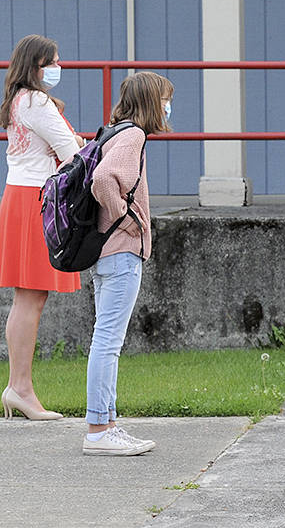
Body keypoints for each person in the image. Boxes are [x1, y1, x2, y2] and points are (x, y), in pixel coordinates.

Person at [83, 71, 172, 456]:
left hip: (106, 252)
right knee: (108, 343)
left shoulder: (116, 130)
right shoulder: (133, 135)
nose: (169, 106)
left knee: (105, 340)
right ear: (153, 101)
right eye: (166, 98)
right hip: (120, 251)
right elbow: (103, 179)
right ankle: (99, 430)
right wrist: (129, 219)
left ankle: (107, 424)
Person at [0, 35, 83, 420]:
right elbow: (72, 151)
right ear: (36, 66)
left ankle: (19, 387)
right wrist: (79, 141)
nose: (58, 67)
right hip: (37, 198)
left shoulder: (19, 101)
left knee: (27, 297)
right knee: (31, 297)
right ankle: (20, 388)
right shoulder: (36, 101)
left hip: (20, 194)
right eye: (53, 61)